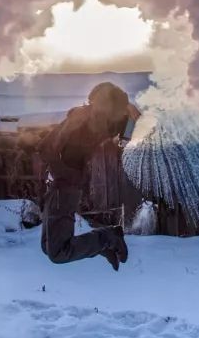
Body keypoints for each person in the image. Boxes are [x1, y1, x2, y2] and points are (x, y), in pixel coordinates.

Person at [37, 81, 139, 270]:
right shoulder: (90, 117)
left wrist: (128, 114)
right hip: (58, 185)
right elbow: (50, 145)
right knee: (48, 248)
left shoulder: (96, 119)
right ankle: (103, 244)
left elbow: (48, 146)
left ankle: (108, 238)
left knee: (58, 252)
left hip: (65, 186)